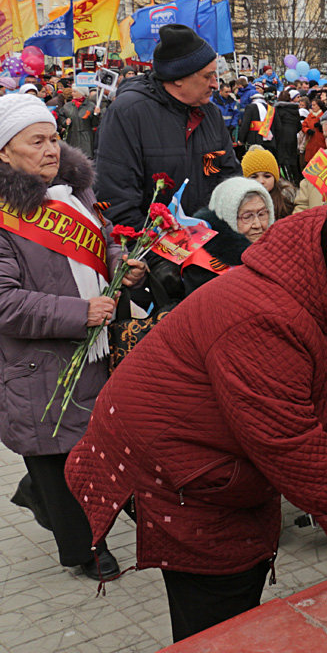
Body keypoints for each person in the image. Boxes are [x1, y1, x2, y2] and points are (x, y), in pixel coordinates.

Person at [66, 209, 327, 643]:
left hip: (224, 457)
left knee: (243, 581)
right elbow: (287, 440)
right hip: (175, 465)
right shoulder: (259, 315)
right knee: (219, 609)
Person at [0, 94, 146, 581]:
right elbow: (4, 302)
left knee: (90, 449)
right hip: (38, 365)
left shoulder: (71, 193)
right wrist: (80, 312)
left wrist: (122, 265)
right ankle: (86, 549)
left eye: (54, 138)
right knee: (58, 460)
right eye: (36, 141)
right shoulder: (5, 216)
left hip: (94, 353)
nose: (51, 149)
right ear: (5, 151)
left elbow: (101, 240)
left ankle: (49, 500)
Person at [95, 24, 239, 228]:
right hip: (151, 250)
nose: (215, 84)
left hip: (208, 247)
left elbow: (224, 177)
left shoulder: (210, 114)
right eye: (208, 76)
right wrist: (163, 252)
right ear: (179, 78)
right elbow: (117, 202)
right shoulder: (128, 114)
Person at [181, 176, 274, 295]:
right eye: (247, 217)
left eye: (262, 214)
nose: (257, 224)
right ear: (227, 218)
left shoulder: (279, 249)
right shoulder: (202, 264)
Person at [242, 144, 297, 218]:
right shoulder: (238, 204)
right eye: (254, 177)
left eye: (267, 176)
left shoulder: (287, 201)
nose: (261, 181)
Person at [57, 86, 97, 159]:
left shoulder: (91, 106)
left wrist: (96, 115)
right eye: (72, 91)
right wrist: (65, 122)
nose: (72, 94)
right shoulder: (67, 106)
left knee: (87, 160)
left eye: (74, 92)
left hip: (86, 139)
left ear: (82, 93)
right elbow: (60, 117)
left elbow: (95, 123)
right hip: (72, 137)